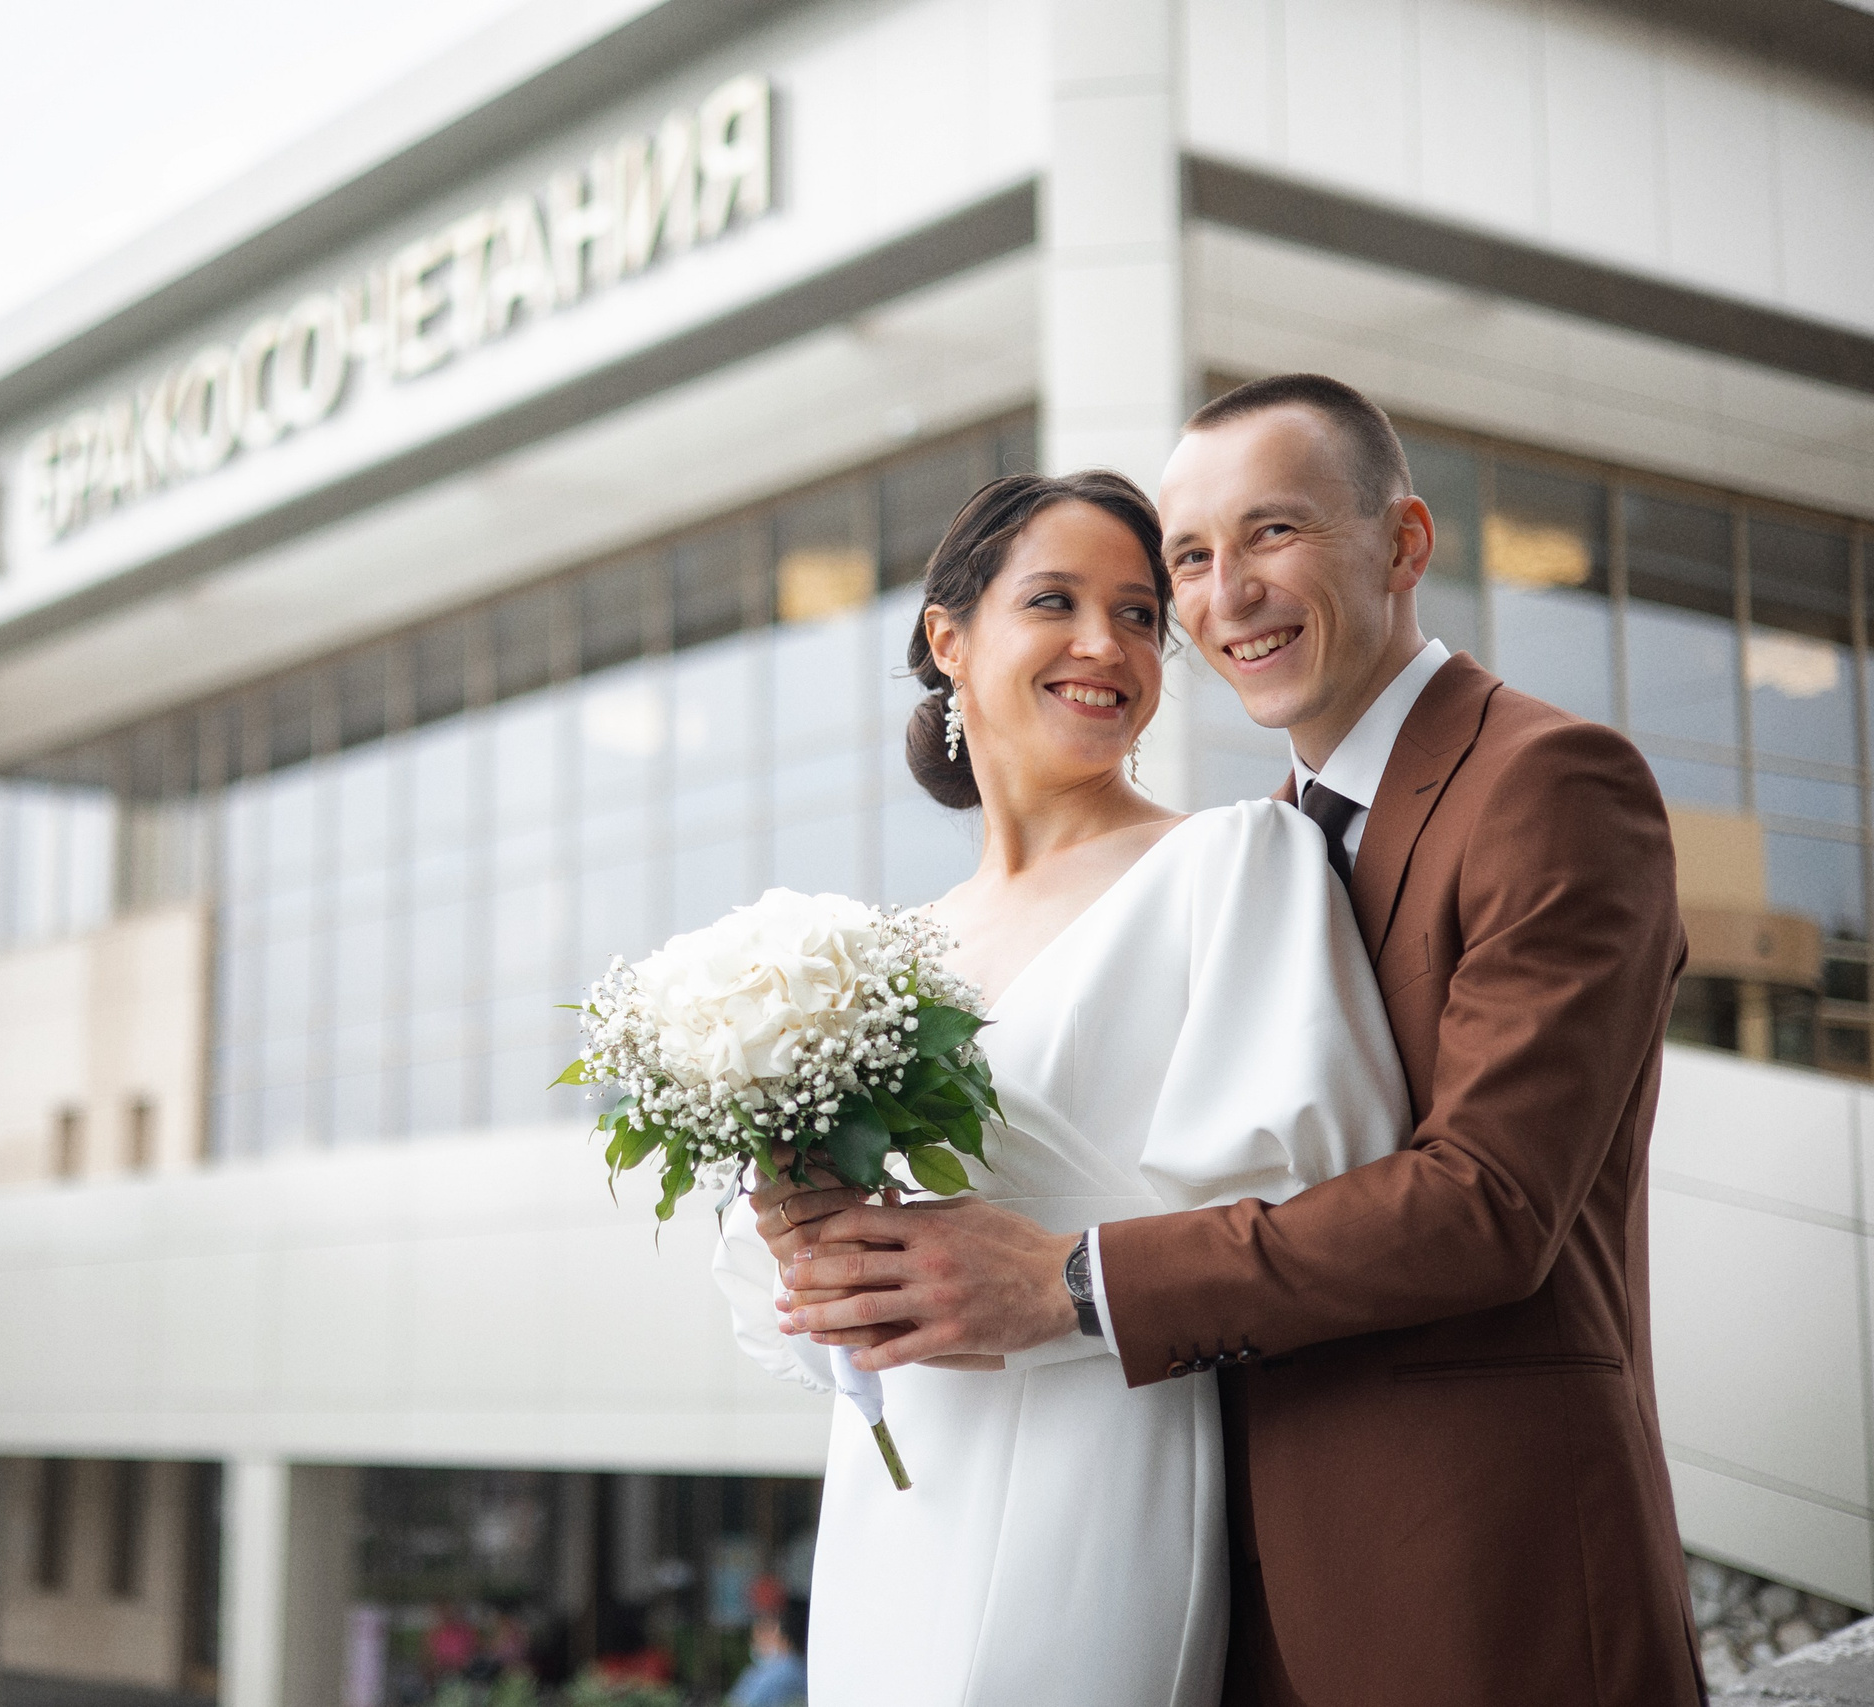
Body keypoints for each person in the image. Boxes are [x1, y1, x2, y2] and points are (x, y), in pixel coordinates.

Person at [777, 374, 1706, 1705]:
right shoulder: (1282, 829)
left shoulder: (1548, 781)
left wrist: (1071, 1284)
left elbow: (1491, 1201)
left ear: (1402, 543)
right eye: (1194, 559)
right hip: (1229, 1568)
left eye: (1272, 534)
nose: (1224, 596)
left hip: (1483, 1568)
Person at [712, 468, 1410, 1704]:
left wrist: (1059, 1275)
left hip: (1101, 1468)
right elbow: (809, 1331)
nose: (1108, 644)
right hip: (891, 1501)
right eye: (1056, 601)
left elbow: (1333, 1200)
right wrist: (805, 1244)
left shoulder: (1230, 860)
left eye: (1141, 614)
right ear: (949, 638)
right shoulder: (884, 955)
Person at [725, 1599, 811, 1707]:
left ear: (783, 1637)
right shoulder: (757, 1672)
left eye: (764, 1636)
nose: (756, 1643)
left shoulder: (783, 1672)